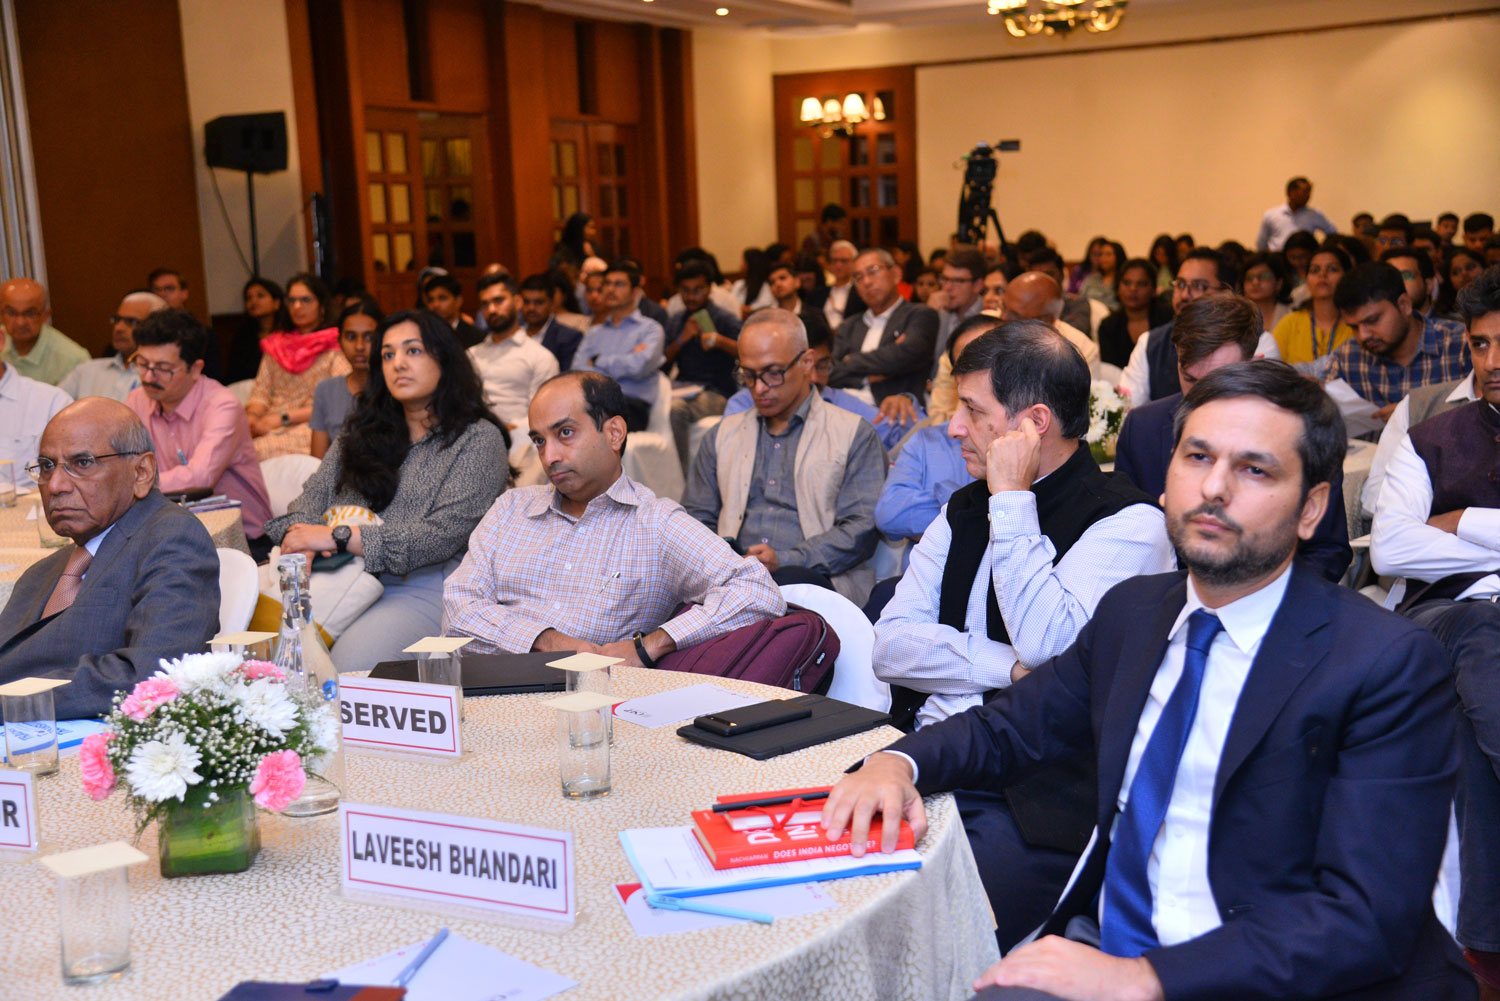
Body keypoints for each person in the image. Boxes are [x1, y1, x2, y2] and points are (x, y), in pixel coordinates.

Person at [827, 360, 1471, 1001]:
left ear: (1312, 510)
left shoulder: (1383, 663)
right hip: (1114, 941)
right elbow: (1009, 727)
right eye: (1197, 457)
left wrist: (1146, 978)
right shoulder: (1135, 614)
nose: (1214, 487)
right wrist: (897, 764)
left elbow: (1363, 916)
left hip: (1269, 974)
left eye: (1255, 469)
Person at [872, 316, 1173, 947]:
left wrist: (1012, 497)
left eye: (973, 410)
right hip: (928, 754)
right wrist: (1007, 668)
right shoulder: (963, 507)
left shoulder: (1128, 523)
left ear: (1033, 424)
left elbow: (1047, 644)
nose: (954, 427)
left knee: (920, 935)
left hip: (1031, 797)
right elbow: (890, 645)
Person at [444, 371, 785, 660]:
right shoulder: (510, 509)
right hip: (482, 689)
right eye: (539, 440)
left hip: (587, 703)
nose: (549, 457)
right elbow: (457, 608)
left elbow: (757, 591)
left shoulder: (655, 524)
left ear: (614, 433)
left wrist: (650, 646)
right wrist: (547, 642)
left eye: (565, 433)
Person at [1370, 267, 1500, 999]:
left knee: (1467, 726)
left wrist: (1465, 522)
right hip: (1447, 614)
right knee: (1481, 632)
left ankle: (1485, 948)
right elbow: (1391, 548)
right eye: (1479, 345)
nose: (1492, 361)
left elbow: (1422, 536)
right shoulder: (1431, 434)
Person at [264, 310, 509, 671]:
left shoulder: (477, 439)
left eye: (413, 351)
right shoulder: (359, 432)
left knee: (346, 669)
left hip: (419, 583)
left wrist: (337, 536)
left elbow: (439, 537)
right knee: (261, 654)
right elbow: (308, 500)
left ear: (444, 358)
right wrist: (301, 538)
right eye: (388, 354)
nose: (398, 364)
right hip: (334, 574)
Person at [0, 399, 219, 719]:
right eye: (47, 466)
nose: (56, 485)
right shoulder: (44, 571)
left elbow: (149, 674)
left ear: (141, 472)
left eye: (82, 463)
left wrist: (10, 702)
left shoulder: (173, 539)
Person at [1115, 295, 1351, 582]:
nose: (1203, 397)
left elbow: (1327, 551)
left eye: (1219, 380)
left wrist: (1258, 600)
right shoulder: (1143, 428)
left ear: (1255, 363)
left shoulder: (1302, 430)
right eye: (1190, 379)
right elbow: (1126, 539)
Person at [684, 309, 886, 603]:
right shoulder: (722, 435)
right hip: (729, 582)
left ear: (807, 363)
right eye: (748, 375)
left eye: (773, 373)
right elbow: (695, 520)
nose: (759, 388)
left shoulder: (854, 433)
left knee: (785, 584)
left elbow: (861, 529)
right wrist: (725, 560)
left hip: (815, 584)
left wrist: (787, 559)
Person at [125, 309, 273, 558]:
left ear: (195, 369)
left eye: (163, 368)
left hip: (241, 540)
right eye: (142, 364)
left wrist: (132, 482)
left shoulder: (222, 405)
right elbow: (122, 461)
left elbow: (200, 477)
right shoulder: (137, 400)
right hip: (173, 533)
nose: (148, 377)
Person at [872, 316, 991, 570]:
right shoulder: (927, 440)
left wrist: (944, 503)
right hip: (924, 585)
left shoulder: (1033, 442)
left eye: (988, 359)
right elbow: (890, 514)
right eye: (966, 364)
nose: (978, 372)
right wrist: (972, 508)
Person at [722, 317, 920, 453]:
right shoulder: (745, 404)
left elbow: (908, 441)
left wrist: (904, 403)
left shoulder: (842, 403)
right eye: (807, 366)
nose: (815, 378)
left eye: (823, 366)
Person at [1120, 247, 1280, 404]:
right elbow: (1127, 406)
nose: (1184, 295)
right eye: (1180, 284)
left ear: (1225, 293)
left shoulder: (1258, 341)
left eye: (1199, 286)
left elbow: (1260, 406)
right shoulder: (1150, 342)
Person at [1327, 261, 1471, 417]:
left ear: (1404, 305)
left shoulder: (1461, 345)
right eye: (1354, 327)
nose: (1363, 335)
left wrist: (1417, 412)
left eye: (1372, 320)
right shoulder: (1348, 357)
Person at [246, 273, 350, 460]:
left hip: (312, 424)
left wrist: (283, 418)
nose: (297, 307)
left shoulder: (335, 345)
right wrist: (252, 417)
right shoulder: (276, 345)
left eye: (305, 300)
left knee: (256, 451)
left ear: (322, 306)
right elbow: (261, 392)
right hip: (269, 422)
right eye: (292, 300)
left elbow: (335, 401)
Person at [828, 247, 939, 405]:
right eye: (858, 277)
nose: (867, 282)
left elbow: (905, 355)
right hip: (842, 405)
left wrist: (849, 359)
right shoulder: (849, 325)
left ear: (896, 274)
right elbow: (828, 371)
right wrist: (866, 378)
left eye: (873, 271)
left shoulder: (919, 315)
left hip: (893, 409)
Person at [572, 259, 665, 432]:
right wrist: (626, 360)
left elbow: (640, 367)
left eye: (619, 284)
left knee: (584, 426)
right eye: (607, 284)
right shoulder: (594, 333)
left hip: (630, 406)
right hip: (593, 403)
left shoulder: (650, 329)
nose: (610, 289)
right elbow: (577, 370)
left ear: (635, 292)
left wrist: (598, 361)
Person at [665, 261, 742, 469]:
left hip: (717, 391)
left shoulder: (724, 318)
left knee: (675, 410)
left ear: (709, 289)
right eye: (685, 291)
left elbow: (747, 351)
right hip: (682, 388)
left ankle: (680, 478)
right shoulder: (676, 321)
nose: (691, 297)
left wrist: (719, 341)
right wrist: (681, 339)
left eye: (697, 290)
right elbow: (663, 362)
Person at [466, 271, 558, 434]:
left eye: (498, 301)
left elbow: (545, 414)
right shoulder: (470, 355)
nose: (491, 309)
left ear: (517, 302)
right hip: (472, 435)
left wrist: (506, 429)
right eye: (485, 304)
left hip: (521, 439)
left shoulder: (540, 357)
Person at [58, 291, 164, 402]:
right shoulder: (87, 371)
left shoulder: (162, 377)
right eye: (117, 320)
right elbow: (52, 405)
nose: (118, 328)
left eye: (131, 321)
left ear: (156, 328)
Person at [310, 299, 383, 460]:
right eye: (351, 337)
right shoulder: (326, 390)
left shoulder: (394, 390)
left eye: (369, 337)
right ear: (340, 342)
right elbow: (317, 461)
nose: (359, 346)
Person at [1270, 244, 1354, 373]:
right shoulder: (1290, 323)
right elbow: (1271, 370)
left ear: (1346, 276)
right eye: (1315, 270)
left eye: (1332, 269)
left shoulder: (1356, 324)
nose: (1322, 275)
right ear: (1307, 279)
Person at [1001, 272, 1101, 376]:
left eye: (1014, 315)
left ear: (1045, 321)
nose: (1003, 317)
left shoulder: (1082, 352)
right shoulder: (991, 327)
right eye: (1003, 306)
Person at [0, 278, 89, 386]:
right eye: (12, 313)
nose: (20, 322)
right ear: (1, 315)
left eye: (29, 313)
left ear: (45, 316)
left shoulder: (73, 360)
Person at [1096, 259, 1173, 370]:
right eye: (1127, 283)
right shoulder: (1108, 326)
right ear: (1118, 287)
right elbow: (1110, 369)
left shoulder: (1169, 318)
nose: (1133, 289)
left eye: (1141, 284)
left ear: (1153, 289)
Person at [224, 277, 292, 385]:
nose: (253, 301)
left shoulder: (289, 333)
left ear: (276, 303)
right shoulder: (242, 336)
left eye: (260, 296)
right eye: (248, 298)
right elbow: (234, 374)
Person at [517, 272, 584, 371]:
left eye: (539, 302)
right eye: (526, 302)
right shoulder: (513, 333)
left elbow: (567, 376)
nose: (531, 308)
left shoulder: (569, 337)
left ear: (551, 303)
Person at [934, 249, 987, 371]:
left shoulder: (988, 316)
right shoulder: (939, 312)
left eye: (958, 281)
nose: (947, 287)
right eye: (944, 279)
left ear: (978, 285)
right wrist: (928, 316)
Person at [1023, 248, 1094, 338]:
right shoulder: (1023, 307)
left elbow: (1072, 336)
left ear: (1062, 275)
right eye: (1037, 276)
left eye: (1049, 274)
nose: (1043, 281)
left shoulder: (1078, 304)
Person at [1255, 175, 1337, 250]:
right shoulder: (1271, 215)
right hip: (1278, 257)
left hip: (1305, 258)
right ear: (1291, 192)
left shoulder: (1314, 215)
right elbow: (1261, 243)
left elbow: (1333, 234)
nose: (1308, 196)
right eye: (1304, 192)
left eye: (1309, 192)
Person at [422, 272, 482, 349]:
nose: (435, 305)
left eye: (442, 298)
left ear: (458, 301)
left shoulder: (476, 337)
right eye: (431, 300)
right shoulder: (423, 335)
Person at [1239, 252, 1292, 334]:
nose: (1255, 282)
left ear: (1279, 283)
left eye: (1264, 276)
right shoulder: (1235, 317)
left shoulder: (1291, 315)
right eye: (1250, 278)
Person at [820, 240, 865, 331]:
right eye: (834, 261)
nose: (838, 265)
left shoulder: (861, 292)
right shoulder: (819, 293)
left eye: (844, 261)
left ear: (854, 263)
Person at [1437, 246, 1487, 319]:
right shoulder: (1443, 318)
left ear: (1484, 268)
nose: (1464, 273)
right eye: (1456, 272)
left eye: (1470, 267)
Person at [1079, 239, 1124, 311]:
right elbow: (1080, 300)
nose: (1103, 258)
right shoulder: (1091, 280)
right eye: (1101, 254)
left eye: (1108, 254)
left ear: (1118, 256)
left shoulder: (1123, 280)